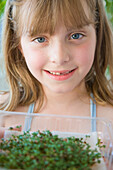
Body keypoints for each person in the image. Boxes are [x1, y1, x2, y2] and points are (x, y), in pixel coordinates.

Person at [0, 0, 113, 137]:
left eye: (76, 36)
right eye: (40, 39)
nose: (59, 58)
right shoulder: (4, 116)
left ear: (97, 37)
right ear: (19, 46)